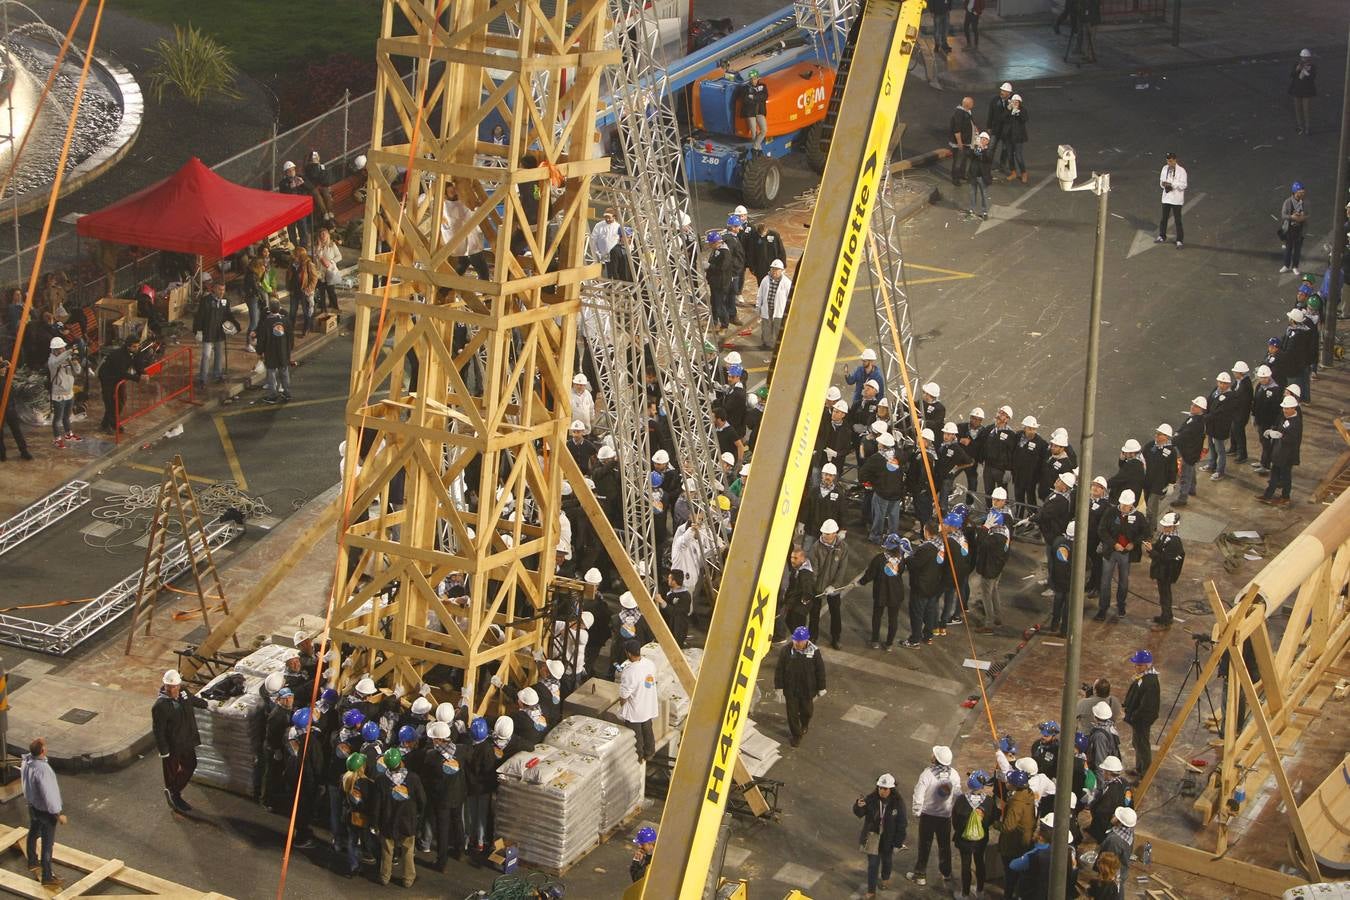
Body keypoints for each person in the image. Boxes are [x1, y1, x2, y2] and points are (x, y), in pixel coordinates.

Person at [152, 669, 206, 813]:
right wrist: (164, 751)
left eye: (175, 686)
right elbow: (158, 731)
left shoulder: (183, 693)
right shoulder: (160, 706)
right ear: (165, 686)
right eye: (170, 687)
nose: (173, 690)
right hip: (173, 746)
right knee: (171, 772)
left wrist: (207, 703)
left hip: (187, 740)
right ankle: (174, 795)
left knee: (191, 764)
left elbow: (193, 700)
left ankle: (173, 790)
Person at [905, 745, 957, 888]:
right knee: (944, 846)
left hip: (928, 816)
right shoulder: (954, 774)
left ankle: (920, 875)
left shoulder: (927, 774)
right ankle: (946, 873)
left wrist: (917, 812)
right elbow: (957, 795)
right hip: (945, 817)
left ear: (936, 759)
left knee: (925, 845)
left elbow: (919, 795)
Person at [373, 747, 425, 888]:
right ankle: (408, 879)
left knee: (387, 850)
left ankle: (385, 876)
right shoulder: (413, 778)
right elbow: (422, 800)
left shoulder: (381, 780)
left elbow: (377, 806)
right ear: (401, 762)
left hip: (387, 821)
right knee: (408, 850)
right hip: (408, 821)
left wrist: (375, 823)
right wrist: (418, 816)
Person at [21, 737, 65, 887]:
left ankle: (32, 861)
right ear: (42, 751)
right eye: (44, 746)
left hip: (32, 806)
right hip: (45, 812)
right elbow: (50, 794)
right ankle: (47, 877)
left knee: (33, 832)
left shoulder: (27, 762)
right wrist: (58, 814)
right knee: (47, 844)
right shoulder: (43, 770)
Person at [1096, 490, 1146, 621]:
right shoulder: (1111, 513)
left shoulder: (1139, 517)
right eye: (1122, 504)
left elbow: (1145, 532)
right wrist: (1113, 544)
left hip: (1126, 554)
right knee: (1105, 582)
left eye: (1127, 505)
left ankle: (1121, 605)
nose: (1124, 508)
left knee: (1124, 582)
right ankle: (1103, 608)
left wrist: (1133, 543)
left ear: (1132, 504)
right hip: (1110, 552)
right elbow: (1102, 530)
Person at [855, 772, 907, 898]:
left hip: (889, 839)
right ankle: (871, 891)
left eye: (885, 789)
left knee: (887, 860)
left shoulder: (898, 803)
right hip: (873, 837)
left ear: (891, 789)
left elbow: (902, 824)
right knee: (873, 864)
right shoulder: (871, 799)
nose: (882, 791)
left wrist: (898, 843)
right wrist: (858, 806)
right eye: (880, 788)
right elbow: (860, 813)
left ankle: (885, 878)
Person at [774, 625, 826, 747]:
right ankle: (796, 735)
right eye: (795, 640)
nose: (797, 643)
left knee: (807, 711)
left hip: (807, 689)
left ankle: (804, 724)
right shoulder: (786, 651)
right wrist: (779, 687)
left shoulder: (814, 652)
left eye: (800, 641)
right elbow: (779, 669)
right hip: (791, 689)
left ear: (807, 640)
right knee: (792, 714)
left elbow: (820, 670)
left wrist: (821, 687)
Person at [861, 534, 909, 650]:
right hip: (896, 593)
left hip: (881, 592)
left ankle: (875, 641)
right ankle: (889, 644)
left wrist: (861, 582)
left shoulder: (879, 559)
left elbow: (870, 574)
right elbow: (901, 572)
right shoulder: (901, 560)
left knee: (877, 616)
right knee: (893, 619)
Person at [951, 770, 994, 898]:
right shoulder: (989, 802)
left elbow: (955, 821)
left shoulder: (961, 800)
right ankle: (980, 891)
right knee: (980, 862)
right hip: (981, 839)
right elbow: (992, 819)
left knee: (965, 865)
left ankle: (964, 894)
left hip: (964, 840)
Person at [809, 518, 849, 649]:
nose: (824, 536)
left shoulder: (843, 548)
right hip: (818, 586)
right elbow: (813, 569)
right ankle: (812, 636)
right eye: (823, 533)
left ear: (834, 533)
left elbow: (842, 569)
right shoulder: (816, 547)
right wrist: (813, 587)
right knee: (814, 613)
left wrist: (834, 586)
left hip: (833, 588)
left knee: (835, 612)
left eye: (827, 534)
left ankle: (836, 638)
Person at [617, 640, 659, 762]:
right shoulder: (649, 663)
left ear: (629, 654)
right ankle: (650, 752)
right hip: (648, 704)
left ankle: (638, 757)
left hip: (635, 708)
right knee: (647, 729)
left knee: (636, 735)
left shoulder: (630, 671)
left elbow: (624, 695)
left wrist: (623, 708)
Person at [998, 768, 1037, 898]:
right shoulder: (1028, 794)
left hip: (1013, 844)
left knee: (1010, 874)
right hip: (1025, 840)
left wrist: (996, 824)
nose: (1007, 782)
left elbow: (1008, 827)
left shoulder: (1016, 803)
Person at [192, 280, 239, 385]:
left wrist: (235, 326)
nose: (222, 292)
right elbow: (200, 317)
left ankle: (217, 375)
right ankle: (202, 378)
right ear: (213, 289)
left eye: (223, 289)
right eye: (219, 289)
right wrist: (198, 331)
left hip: (219, 333)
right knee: (206, 356)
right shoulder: (206, 301)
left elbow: (228, 315)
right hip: (208, 332)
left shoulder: (225, 301)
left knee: (219, 354)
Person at [1122, 649, 1160, 776]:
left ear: (1146, 666)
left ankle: (1145, 773)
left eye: (1138, 665)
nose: (1135, 667)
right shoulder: (1143, 677)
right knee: (1137, 742)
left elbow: (1147, 706)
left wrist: (1134, 716)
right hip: (1137, 718)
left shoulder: (1149, 682)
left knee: (1142, 745)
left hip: (1142, 719)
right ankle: (1139, 768)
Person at [1259, 396, 1302, 504]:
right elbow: (1278, 426)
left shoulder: (1296, 422)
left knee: (1286, 477)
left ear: (1293, 408)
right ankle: (1267, 495)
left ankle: (1285, 497)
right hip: (1278, 452)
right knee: (1274, 475)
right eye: (1284, 408)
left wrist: (1280, 436)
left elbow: (1293, 439)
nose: (1285, 411)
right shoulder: (1284, 417)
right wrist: (1272, 431)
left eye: (1287, 409)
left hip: (1288, 455)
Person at [1146, 512, 1185, 626]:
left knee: (1165, 596)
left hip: (1167, 573)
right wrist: (1152, 547)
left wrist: (1151, 551)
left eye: (1167, 526)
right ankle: (1165, 615)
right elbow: (1159, 547)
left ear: (1173, 527)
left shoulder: (1175, 542)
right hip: (1161, 571)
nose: (1164, 528)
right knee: (1163, 595)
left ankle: (1166, 619)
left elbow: (1164, 558)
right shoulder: (1164, 536)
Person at [1172, 396, 1206, 506]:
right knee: (1191, 470)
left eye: (1196, 406)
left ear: (1201, 409)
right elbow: (1183, 429)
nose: (1192, 407)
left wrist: (1173, 441)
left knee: (1185, 475)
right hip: (1191, 452)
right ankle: (1192, 489)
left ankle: (1182, 498)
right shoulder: (1194, 418)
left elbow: (1184, 435)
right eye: (1193, 405)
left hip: (1189, 453)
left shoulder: (1196, 423)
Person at [257, 299, 293, 403]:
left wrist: (259, 351)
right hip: (283, 352)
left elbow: (262, 339)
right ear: (279, 308)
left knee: (271, 374)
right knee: (284, 372)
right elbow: (290, 337)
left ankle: (272, 395)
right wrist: (289, 349)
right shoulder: (286, 321)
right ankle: (287, 393)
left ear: (269, 309)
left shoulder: (266, 323)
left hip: (270, 352)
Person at [46, 337, 78, 448]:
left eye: (63, 347)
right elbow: (57, 361)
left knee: (67, 416)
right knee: (57, 419)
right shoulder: (52, 361)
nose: (63, 350)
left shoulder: (67, 358)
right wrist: (70, 351)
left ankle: (69, 434)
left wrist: (74, 362)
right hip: (58, 394)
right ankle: (57, 439)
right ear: (54, 350)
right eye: (60, 348)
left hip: (69, 392)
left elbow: (78, 371)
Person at [1250, 365, 1281, 476]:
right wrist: (1253, 415)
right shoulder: (1259, 386)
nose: (1262, 380)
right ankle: (1263, 461)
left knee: (1267, 443)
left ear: (1269, 377)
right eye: (1261, 378)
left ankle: (1266, 465)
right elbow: (1255, 402)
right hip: (1260, 420)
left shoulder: (1275, 390)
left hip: (1268, 422)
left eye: (1265, 378)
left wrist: (1274, 424)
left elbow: (1276, 409)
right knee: (1263, 442)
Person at [1097, 808, 1136, 892]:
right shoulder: (1128, 832)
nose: (1113, 815)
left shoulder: (1114, 841)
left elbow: (1107, 862)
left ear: (1119, 822)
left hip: (1112, 875)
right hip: (1122, 870)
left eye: (1116, 816)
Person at [756, 258, 791, 350]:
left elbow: (789, 298)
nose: (774, 271)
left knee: (778, 328)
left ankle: (778, 346)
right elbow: (760, 294)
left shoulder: (787, 283)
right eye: (773, 269)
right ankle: (766, 344)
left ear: (782, 271)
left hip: (779, 310)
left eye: (777, 269)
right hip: (767, 308)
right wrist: (758, 306)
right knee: (766, 327)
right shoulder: (765, 280)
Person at [1047, 521, 1074, 636]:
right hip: (1070, 581)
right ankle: (1064, 631)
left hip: (1057, 578)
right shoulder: (1076, 547)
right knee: (1068, 607)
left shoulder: (1057, 541)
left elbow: (1051, 560)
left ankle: (1054, 625)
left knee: (1057, 603)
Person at [1155, 151, 1187, 248]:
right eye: (1168, 161)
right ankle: (1162, 235)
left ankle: (1179, 240)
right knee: (1164, 219)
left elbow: (1184, 185)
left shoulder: (1182, 171)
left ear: (1175, 160)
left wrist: (1172, 185)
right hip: (1166, 198)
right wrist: (1164, 184)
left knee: (1178, 220)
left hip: (1176, 200)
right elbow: (1161, 182)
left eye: (1171, 161)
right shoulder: (1164, 169)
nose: (1169, 163)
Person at [705, 231, 734, 330]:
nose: (708, 245)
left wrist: (710, 266)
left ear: (715, 242)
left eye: (710, 243)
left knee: (720, 305)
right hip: (715, 283)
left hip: (721, 284)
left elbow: (722, 268)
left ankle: (724, 325)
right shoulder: (716, 250)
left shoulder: (725, 253)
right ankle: (714, 322)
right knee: (714, 303)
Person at [288, 246, 319, 337]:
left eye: (295, 254)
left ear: (300, 255)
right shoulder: (292, 264)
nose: (293, 256)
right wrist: (289, 287)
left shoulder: (308, 264)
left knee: (306, 311)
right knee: (292, 311)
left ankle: (306, 328)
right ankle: (290, 329)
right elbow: (289, 276)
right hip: (294, 291)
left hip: (303, 292)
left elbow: (314, 278)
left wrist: (308, 289)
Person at [1279, 182, 1309, 275]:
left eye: (1303, 192)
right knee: (1288, 248)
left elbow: (1308, 214)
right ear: (1295, 192)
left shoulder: (1304, 203)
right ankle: (1286, 265)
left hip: (1300, 230)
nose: (1303, 194)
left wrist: (1303, 217)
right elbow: (1283, 215)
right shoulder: (1288, 202)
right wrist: (1292, 217)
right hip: (1290, 230)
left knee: (1297, 250)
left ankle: (1295, 266)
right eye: (1300, 192)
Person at [314, 228, 343, 311]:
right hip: (320, 274)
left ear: (328, 235)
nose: (323, 236)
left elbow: (339, 256)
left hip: (329, 273)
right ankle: (323, 311)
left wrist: (331, 262)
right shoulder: (316, 246)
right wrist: (319, 247)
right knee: (321, 294)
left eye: (324, 234)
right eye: (321, 234)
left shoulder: (332, 245)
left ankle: (336, 310)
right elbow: (315, 258)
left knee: (331, 293)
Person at [1289, 49, 1317, 135]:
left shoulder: (1312, 66)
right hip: (1297, 90)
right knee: (1298, 109)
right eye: (1303, 58)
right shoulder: (1297, 65)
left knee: (1306, 110)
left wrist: (1305, 72)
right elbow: (1292, 75)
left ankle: (1308, 128)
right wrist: (1297, 69)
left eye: (1306, 58)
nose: (1304, 59)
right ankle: (1300, 126)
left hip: (1307, 91)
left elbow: (1312, 77)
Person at [739, 70, 768, 152]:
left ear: (758, 78)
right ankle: (758, 149)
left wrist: (753, 97)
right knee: (754, 132)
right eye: (751, 79)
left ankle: (755, 147)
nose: (753, 80)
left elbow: (765, 96)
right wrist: (757, 98)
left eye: (755, 78)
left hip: (760, 112)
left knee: (764, 130)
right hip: (750, 113)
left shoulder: (763, 86)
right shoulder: (745, 88)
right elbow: (745, 100)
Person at [1003, 94, 1029, 184]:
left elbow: (1024, 119)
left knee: (1018, 156)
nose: (1015, 103)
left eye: (1017, 102)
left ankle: (1023, 173)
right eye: (1014, 101)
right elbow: (1002, 118)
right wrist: (1009, 110)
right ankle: (1013, 172)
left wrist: (1016, 111)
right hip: (1009, 137)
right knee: (1010, 155)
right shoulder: (1008, 110)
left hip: (1018, 137)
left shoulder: (1022, 110)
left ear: (1020, 103)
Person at [966, 131, 993, 219]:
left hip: (983, 177)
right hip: (973, 175)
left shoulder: (988, 151)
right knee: (972, 193)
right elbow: (969, 155)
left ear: (988, 141)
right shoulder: (976, 148)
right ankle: (971, 210)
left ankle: (984, 212)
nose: (982, 140)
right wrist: (973, 147)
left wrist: (982, 149)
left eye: (985, 139)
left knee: (984, 195)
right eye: (981, 139)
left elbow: (987, 159)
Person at [949, 96, 975, 184]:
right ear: (967, 104)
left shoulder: (967, 112)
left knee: (964, 160)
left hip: (966, 142)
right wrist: (959, 142)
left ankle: (961, 174)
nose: (973, 104)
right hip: (960, 142)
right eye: (972, 103)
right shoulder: (959, 113)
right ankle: (955, 178)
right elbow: (957, 129)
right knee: (958, 161)